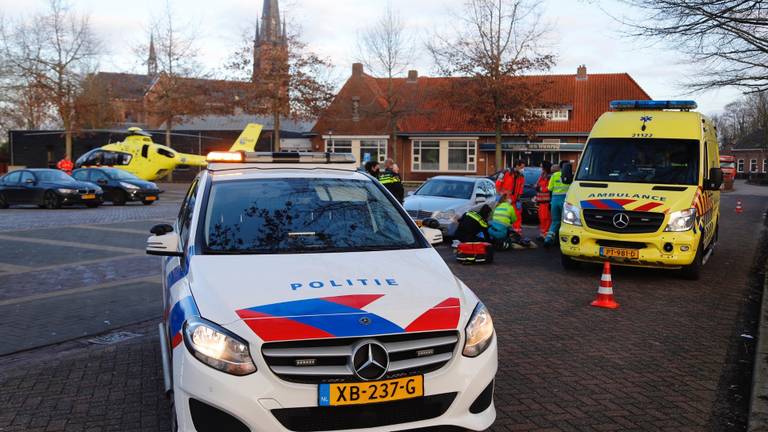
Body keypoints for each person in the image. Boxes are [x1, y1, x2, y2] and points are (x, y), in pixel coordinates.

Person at [544, 161, 572, 246]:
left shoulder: (553, 176)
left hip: (555, 201)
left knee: (555, 221)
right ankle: (564, 240)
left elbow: (550, 188)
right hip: (565, 200)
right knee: (567, 221)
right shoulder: (569, 176)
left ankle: (548, 239)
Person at [535, 161, 552, 241]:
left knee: (546, 219)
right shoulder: (542, 175)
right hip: (541, 201)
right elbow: (537, 184)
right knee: (542, 218)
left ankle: (546, 235)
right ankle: (542, 234)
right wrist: (537, 187)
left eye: (542, 167)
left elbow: (549, 188)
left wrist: (540, 188)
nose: (541, 168)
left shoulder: (549, 176)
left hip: (546, 202)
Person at [508, 160, 526, 235]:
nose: (523, 169)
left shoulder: (521, 176)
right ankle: (505, 230)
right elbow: (500, 184)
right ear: (517, 166)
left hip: (515, 199)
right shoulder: (508, 173)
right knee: (505, 215)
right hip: (507, 198)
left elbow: (521, 187)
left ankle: (517, 231)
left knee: (517, 215)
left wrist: (518, 196)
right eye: (522, 167)